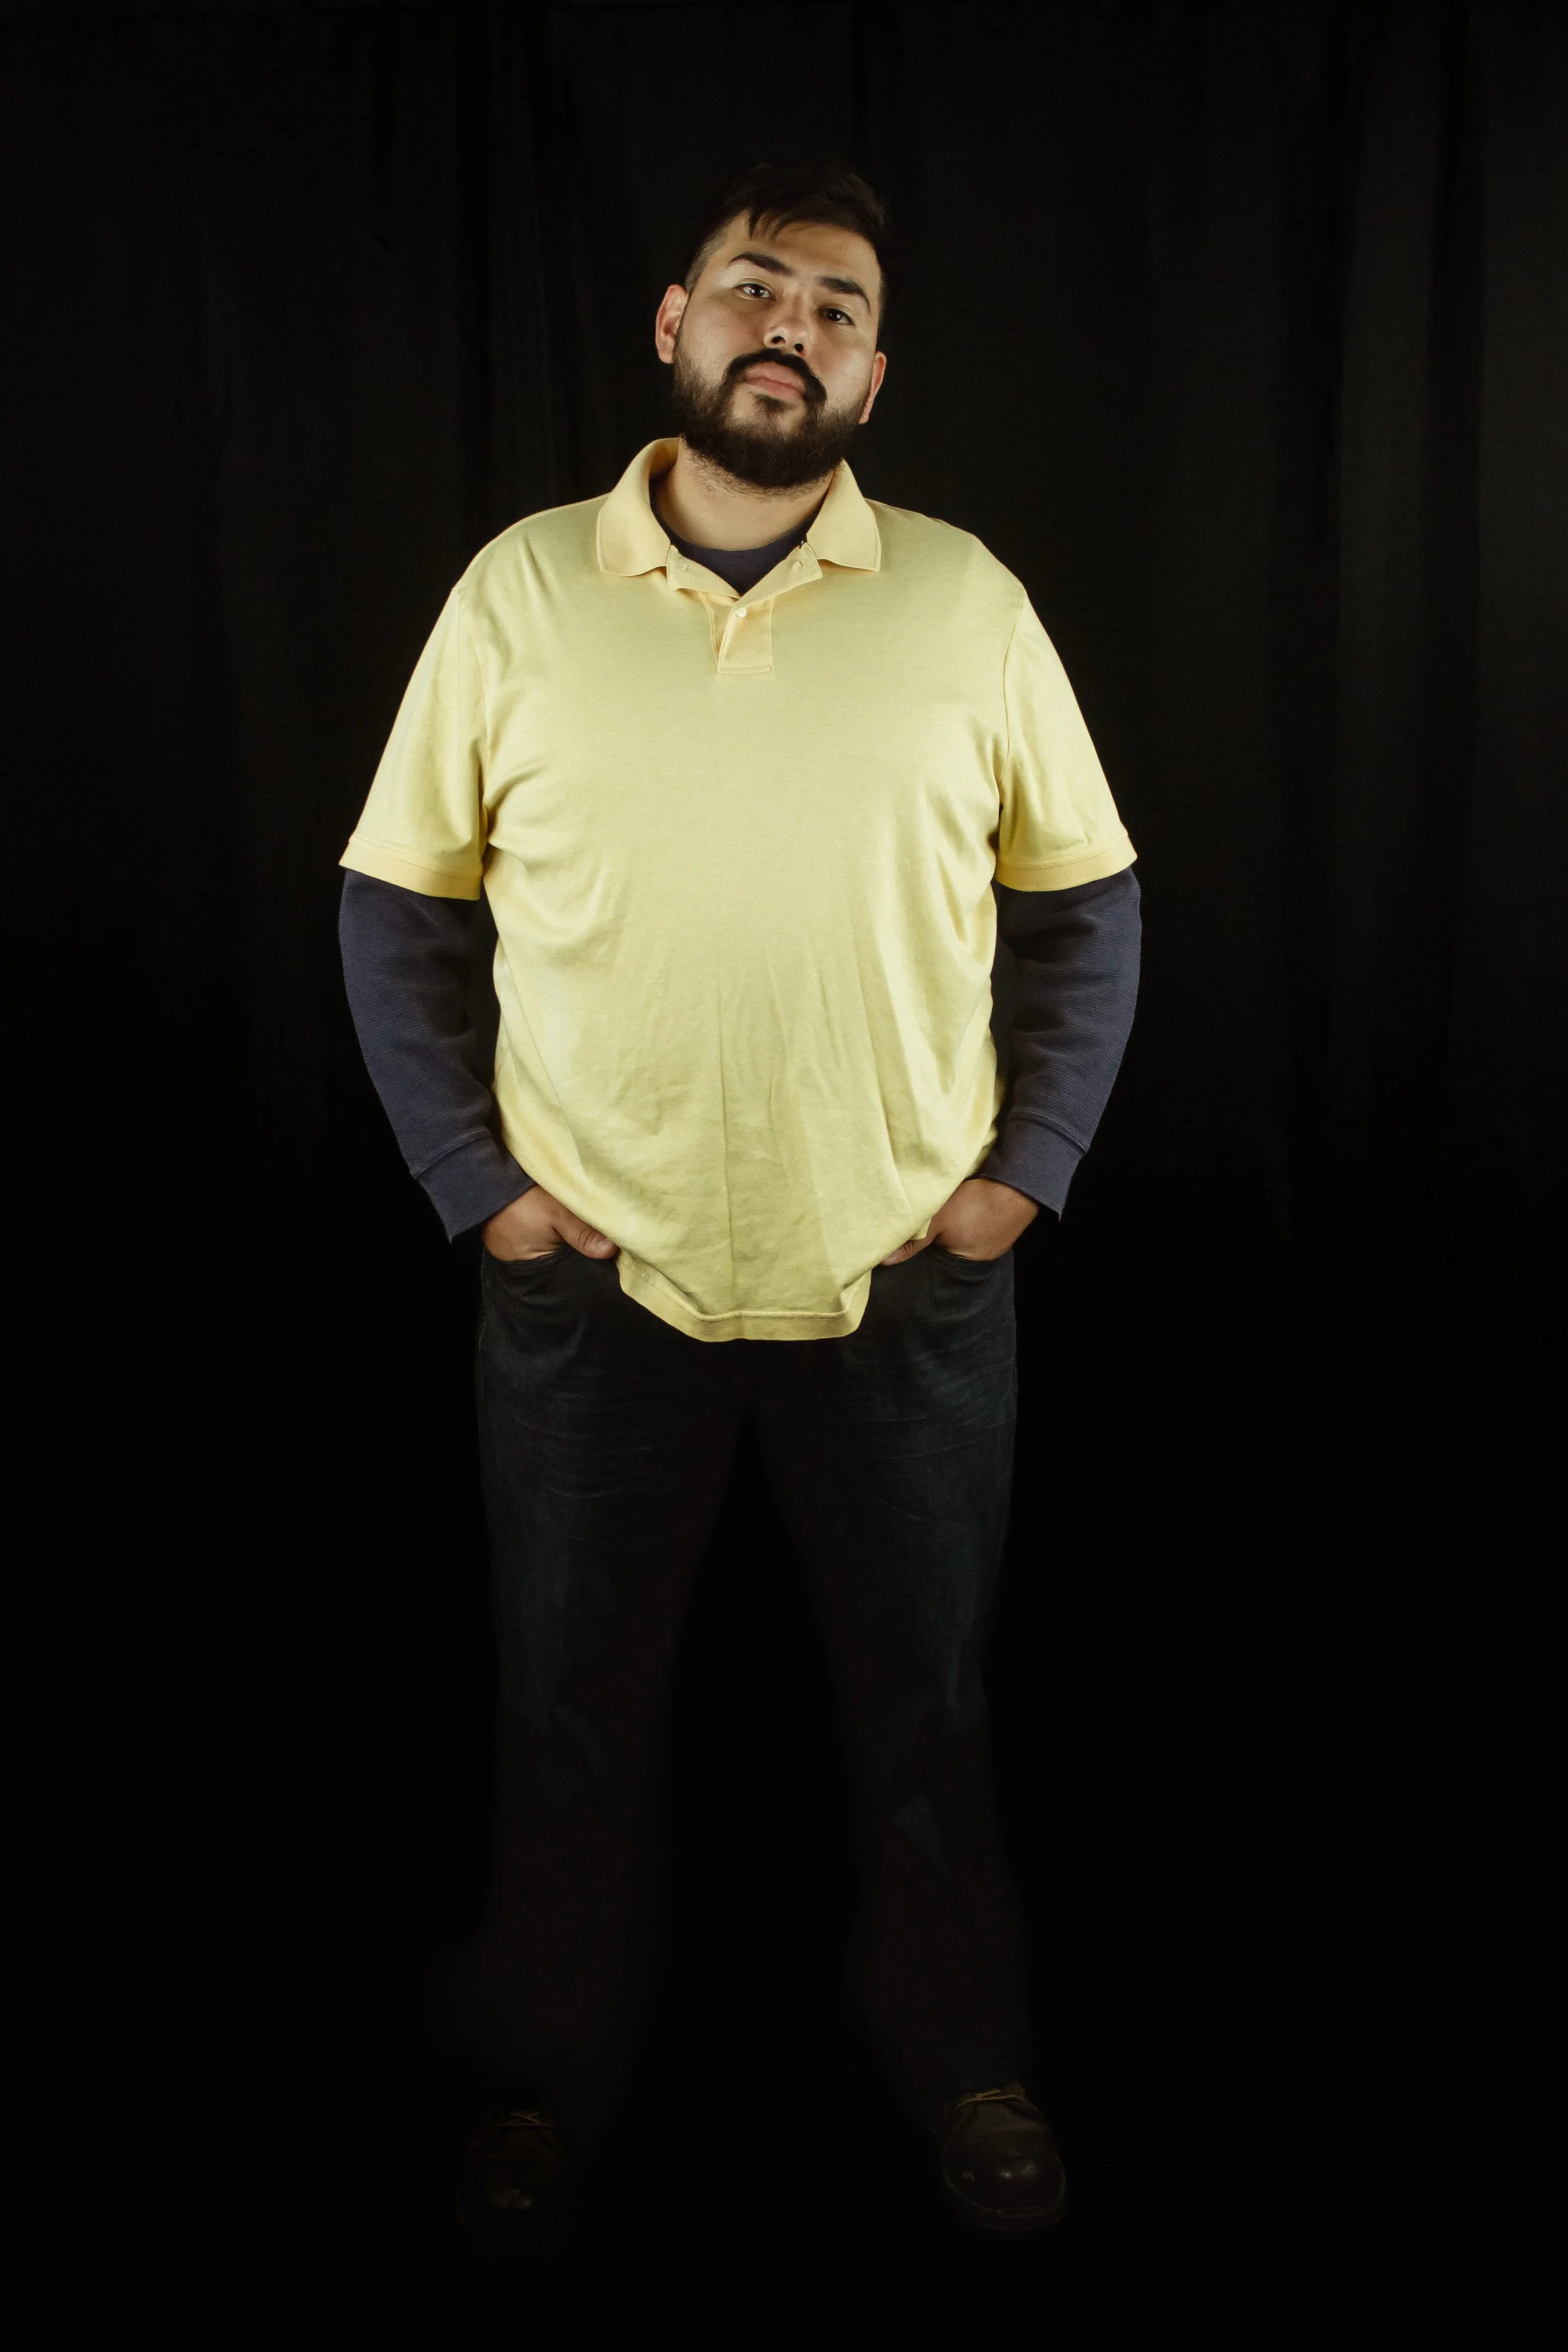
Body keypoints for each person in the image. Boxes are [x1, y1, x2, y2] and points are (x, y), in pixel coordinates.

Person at [339, 158, 1140, 2257]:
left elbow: (1086, 905)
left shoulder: (965, 599)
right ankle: (539, 2073)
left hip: (905, 1277)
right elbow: (393, 909)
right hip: (591, 1283)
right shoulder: (518, 589)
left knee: (926, 1704)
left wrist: (1021, 1175)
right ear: (672, 326)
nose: (792, 326)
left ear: (873, 375)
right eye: (755, 287)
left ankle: (967, 2058)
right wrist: (480, 1190)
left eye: (837, 307)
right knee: (568, 1704)